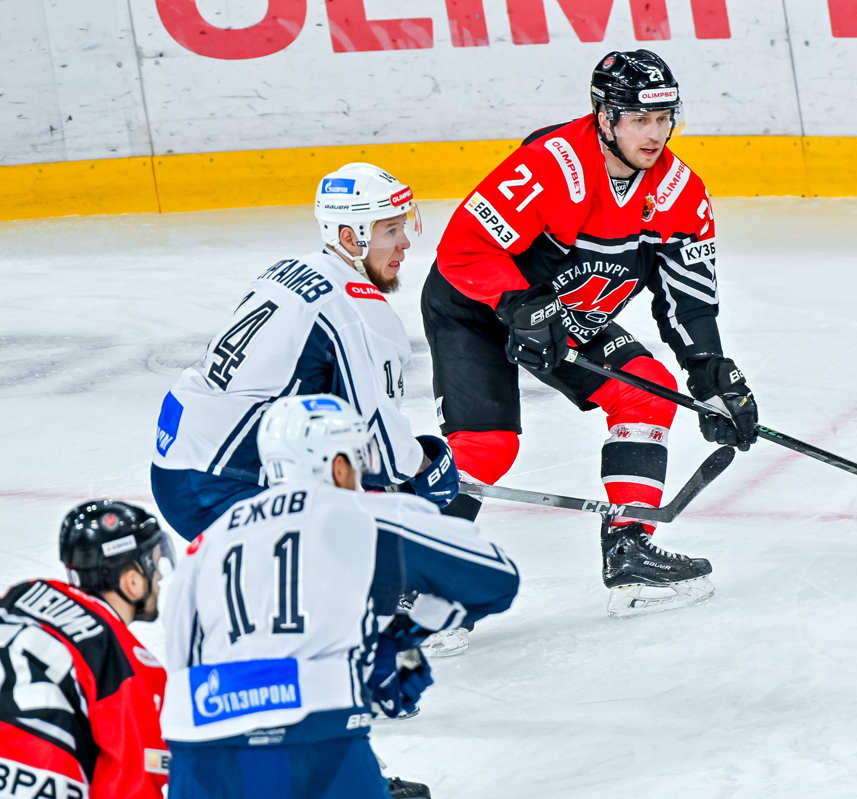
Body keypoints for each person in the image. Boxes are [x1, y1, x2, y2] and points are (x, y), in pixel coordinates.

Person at [422, 49, 759, 618]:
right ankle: (410, 580)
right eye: (639, 119)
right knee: (487, 446)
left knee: (647, 391)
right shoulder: (553, 164)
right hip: (474, 306)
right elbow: (466, 248)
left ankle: (630, 548)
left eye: (664, 118)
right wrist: (520, 306)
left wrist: (708, 372)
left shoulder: (679, 191)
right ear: (606, 117)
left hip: (564, 315)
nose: (655, 134)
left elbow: (688, 297)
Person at [160, 394, 520, 799]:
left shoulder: (208, 543)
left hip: (197, 744)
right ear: (337, 465)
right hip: (315, 733)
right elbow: (496, 578)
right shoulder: (358, 514)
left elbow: (182, 655)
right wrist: (403, 635)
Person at [150, 163, 458, 544]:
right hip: (217, 484)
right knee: (354, 559)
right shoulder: (358, 309)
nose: (405, 242)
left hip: (178, 455)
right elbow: (384, 454)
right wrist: (426, 466)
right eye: (391, 230)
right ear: (350, 238)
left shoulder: (286, 270)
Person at [0, 500, 174, 799]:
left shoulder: (22, 594)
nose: (158, 578)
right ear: (132, 581)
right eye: (154, 566)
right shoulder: (129, 666)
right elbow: (131, 789)